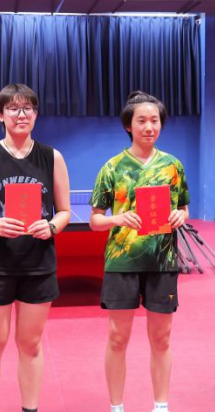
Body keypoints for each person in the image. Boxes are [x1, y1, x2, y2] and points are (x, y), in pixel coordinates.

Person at [0, 83, 71, 412]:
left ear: (36, 114)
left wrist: (51, 226)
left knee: (31, 344)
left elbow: (64, 211)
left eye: (28, 108)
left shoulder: (52, 157)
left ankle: (30, 409)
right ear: (0, 115)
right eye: (13, 108)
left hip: (38, 264)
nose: (21, 114)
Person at [89, 91, 190, 412]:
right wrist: (117, 219)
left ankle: (160, 405)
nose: (149, 127)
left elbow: (184, 208)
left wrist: (181, 216)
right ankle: (116, 406)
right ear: (128, 126)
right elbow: (95, 220)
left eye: (155, 121)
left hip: (163, 261)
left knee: (162, 338)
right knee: (118, 338)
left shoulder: (173, 166)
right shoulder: (112, 167)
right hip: (122, 263)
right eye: (142, 121)